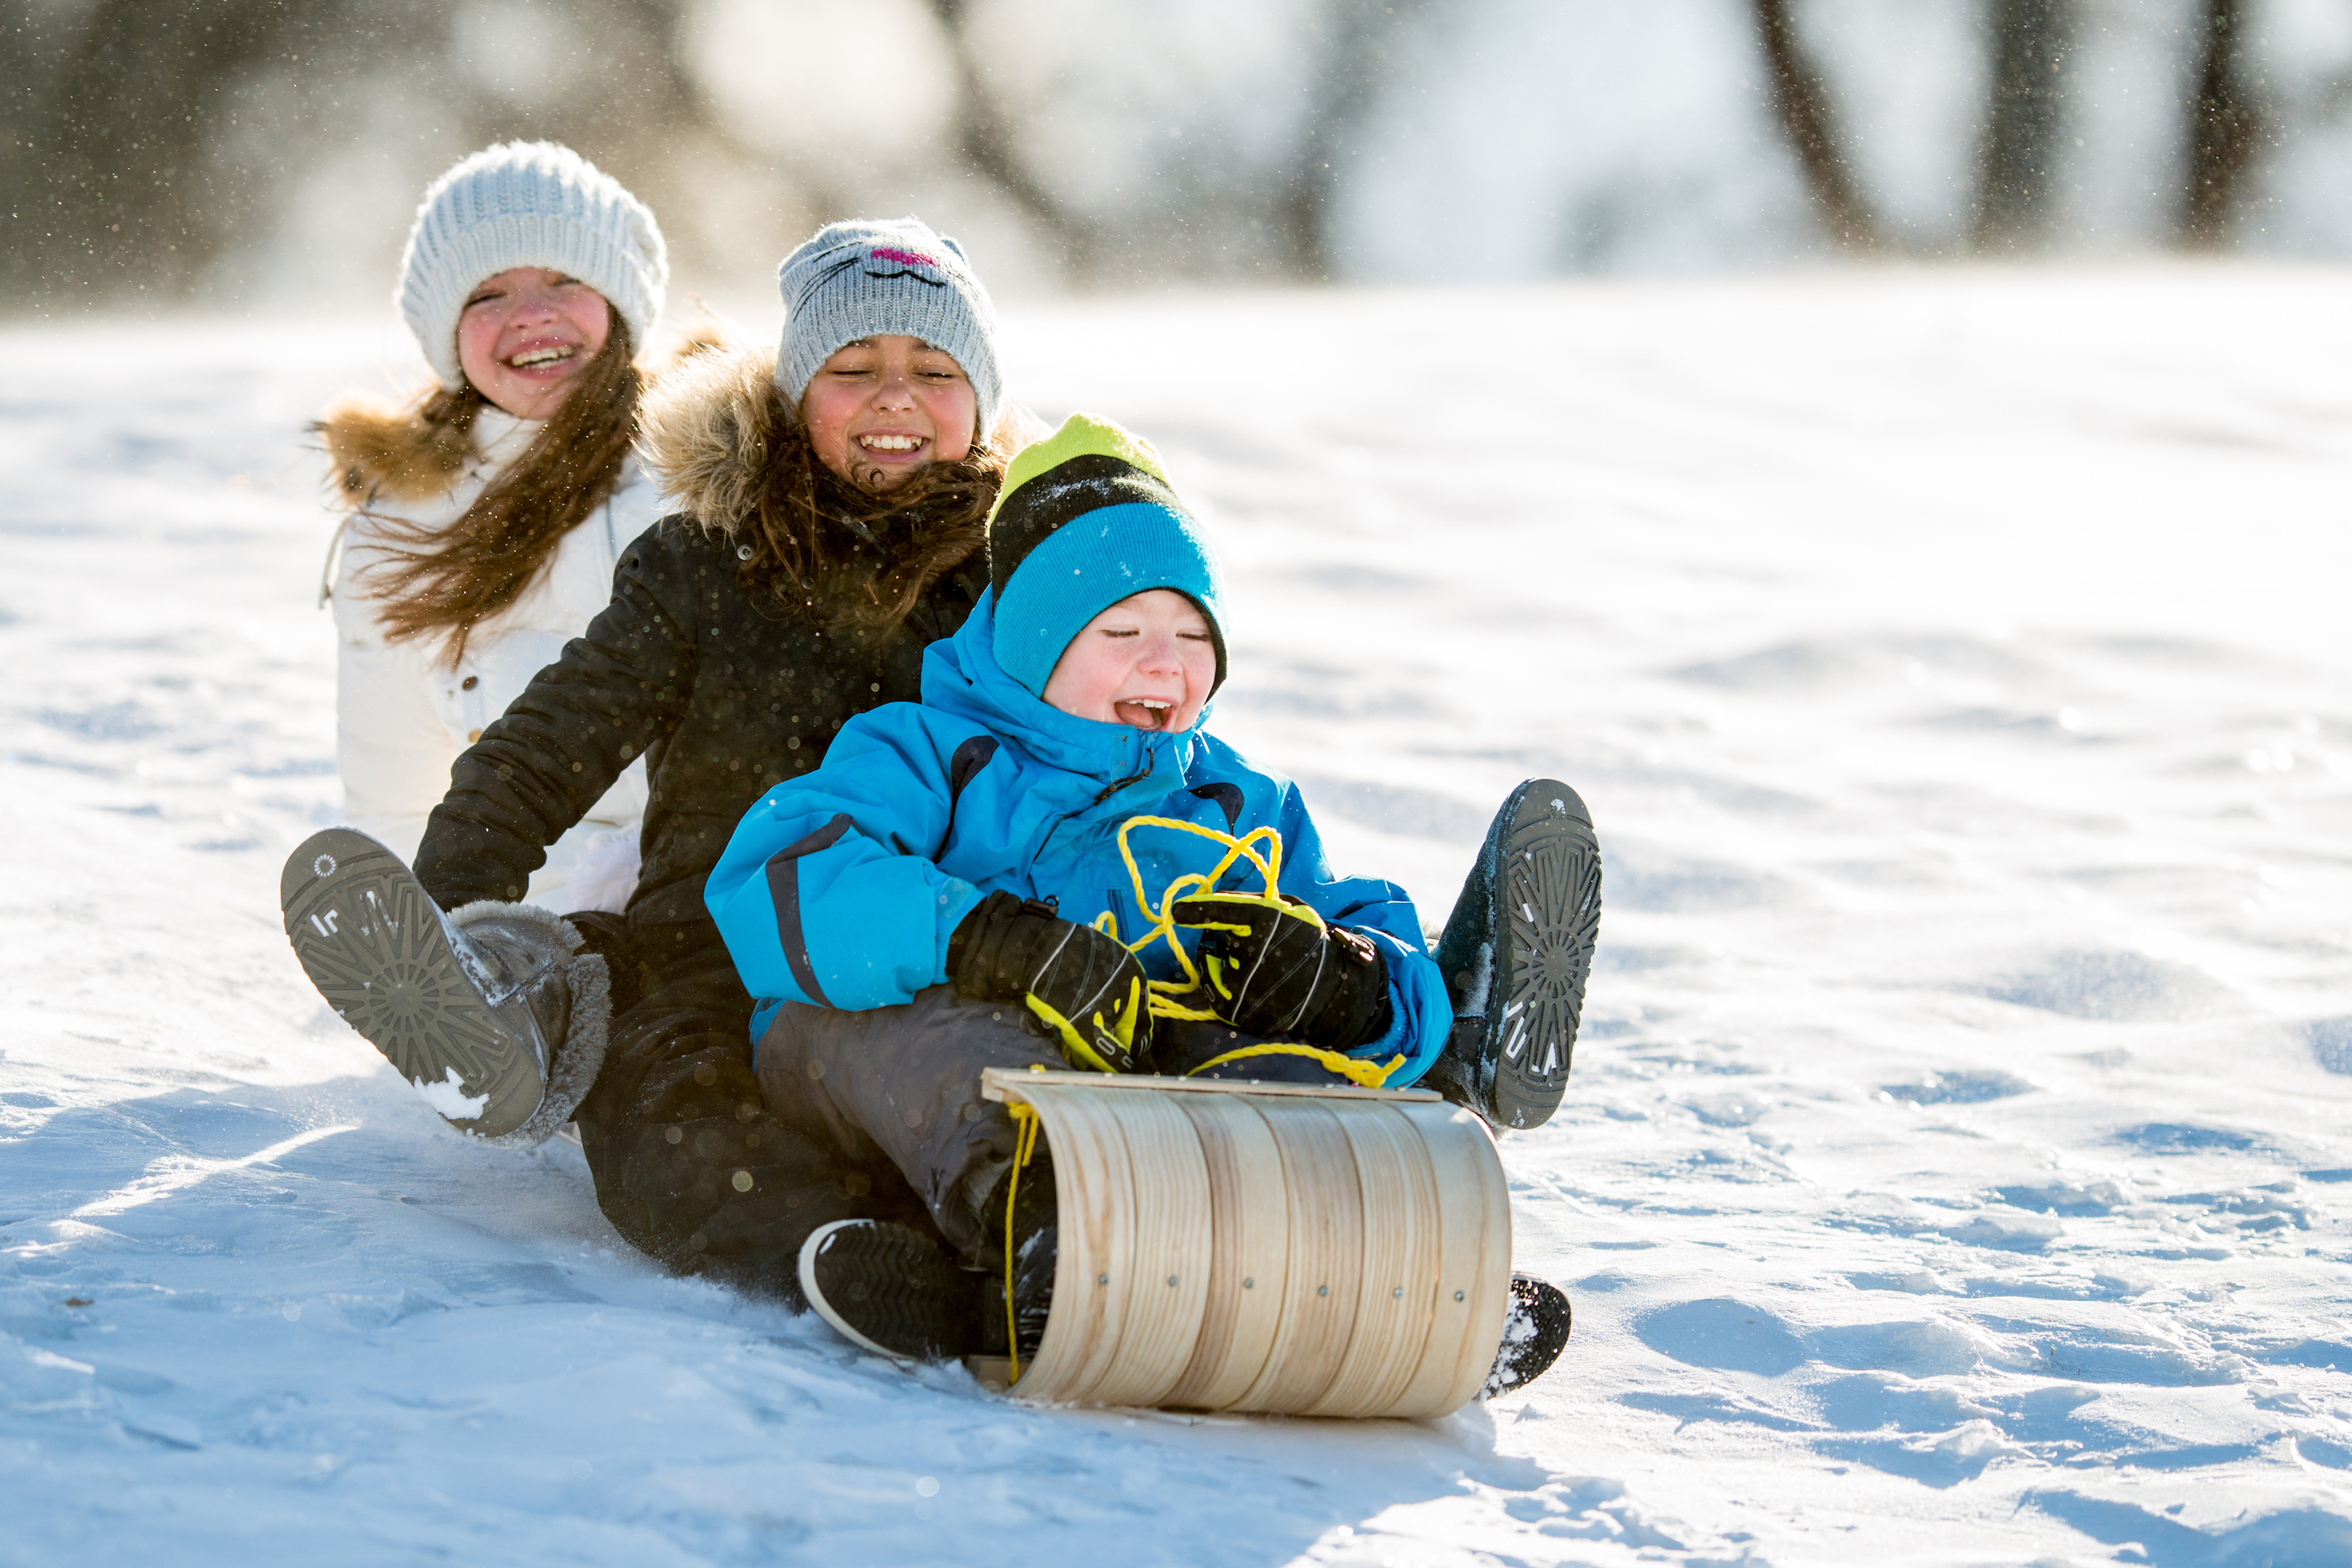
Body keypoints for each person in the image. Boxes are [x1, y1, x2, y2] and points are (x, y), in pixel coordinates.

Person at [700, 414, 1600, 1390]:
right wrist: (977, 934)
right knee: (975, 1059)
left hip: (1156, 1090)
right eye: (1121, 633)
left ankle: (1404, 1269)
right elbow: (782, 876)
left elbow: (1359, 918)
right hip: (894, 1055)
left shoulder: (1236, 798)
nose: (1165, 665)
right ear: (1035, 645)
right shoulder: (928, 751)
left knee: (1284, 1077)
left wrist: (1345, 980)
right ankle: (1038, 1250)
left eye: (1192, 635)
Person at [282, 218, 1021, 1284]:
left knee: (949, 1093)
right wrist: (447, 904)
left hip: (923, 952)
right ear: (792, 397)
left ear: (981, 400)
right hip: (704, 951)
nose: (893, 396)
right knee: (667, 1133)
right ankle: (842, 1251)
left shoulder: (1014, 589)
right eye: (852, 368)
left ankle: (1006, 1233)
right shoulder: (705, 563)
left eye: (934, 370)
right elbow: (555, 736)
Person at [320, 141, 670, 914]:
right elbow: (395, 790)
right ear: (445, 330)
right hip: (517, 916)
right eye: (487, 294)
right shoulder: (401, 526)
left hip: (716, 895)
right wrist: (420, 943)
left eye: (564, 278)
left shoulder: (702, 472)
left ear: (618, 298)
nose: (532, 317)